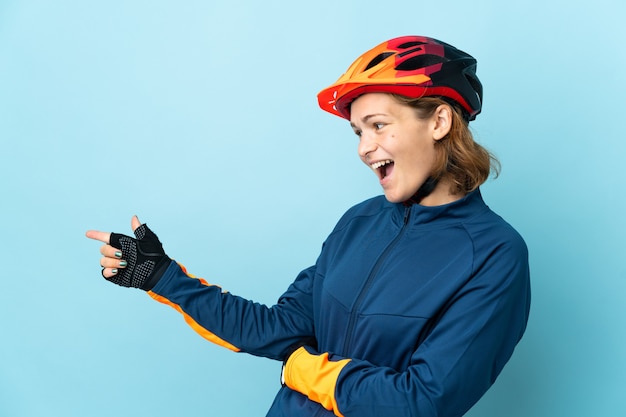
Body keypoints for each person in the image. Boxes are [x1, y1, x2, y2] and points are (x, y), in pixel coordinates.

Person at [86, 35, 531, 417]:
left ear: (439, 121)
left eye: (378, 125)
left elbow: (420, 403)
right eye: (358, 132)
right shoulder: (359, 222)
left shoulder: (494, 254)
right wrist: (163, 277)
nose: (364, 147)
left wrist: (304, 370)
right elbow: (279, 328)